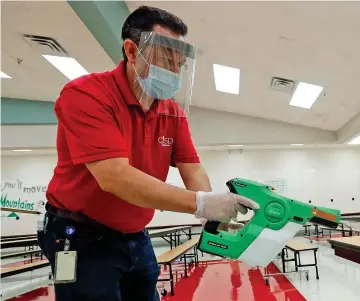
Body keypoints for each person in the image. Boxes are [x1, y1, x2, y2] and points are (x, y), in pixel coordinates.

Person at [38, 6, 258, 301]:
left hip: (135, 233)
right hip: (78, 234)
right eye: (167, 59)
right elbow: (114, 177)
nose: (174, 71)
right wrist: (201, 203)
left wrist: (210, 217)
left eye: (179, 64)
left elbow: (191, 167)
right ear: (131, 51)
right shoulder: (86, 95)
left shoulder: (172, 112)